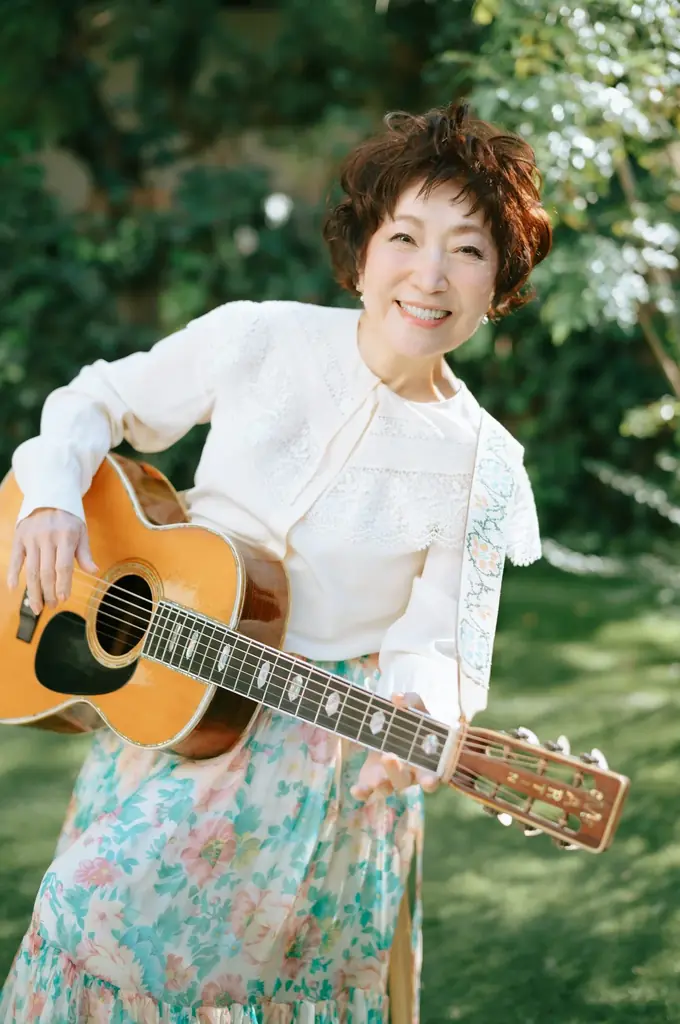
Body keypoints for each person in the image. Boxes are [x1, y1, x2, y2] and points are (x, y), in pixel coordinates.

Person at [0, 101, 551, 1024]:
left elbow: (441, 644)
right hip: (166, 698)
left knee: (100, 918)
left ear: (500, 282)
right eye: (405, 237)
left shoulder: (484, 467)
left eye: (468, 250)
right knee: (95, 940)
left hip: (314, 748)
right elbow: (101, 400)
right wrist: (52, 496)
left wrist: (423, 712)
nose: (429, 275)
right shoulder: (261, 337)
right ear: (362, 251)